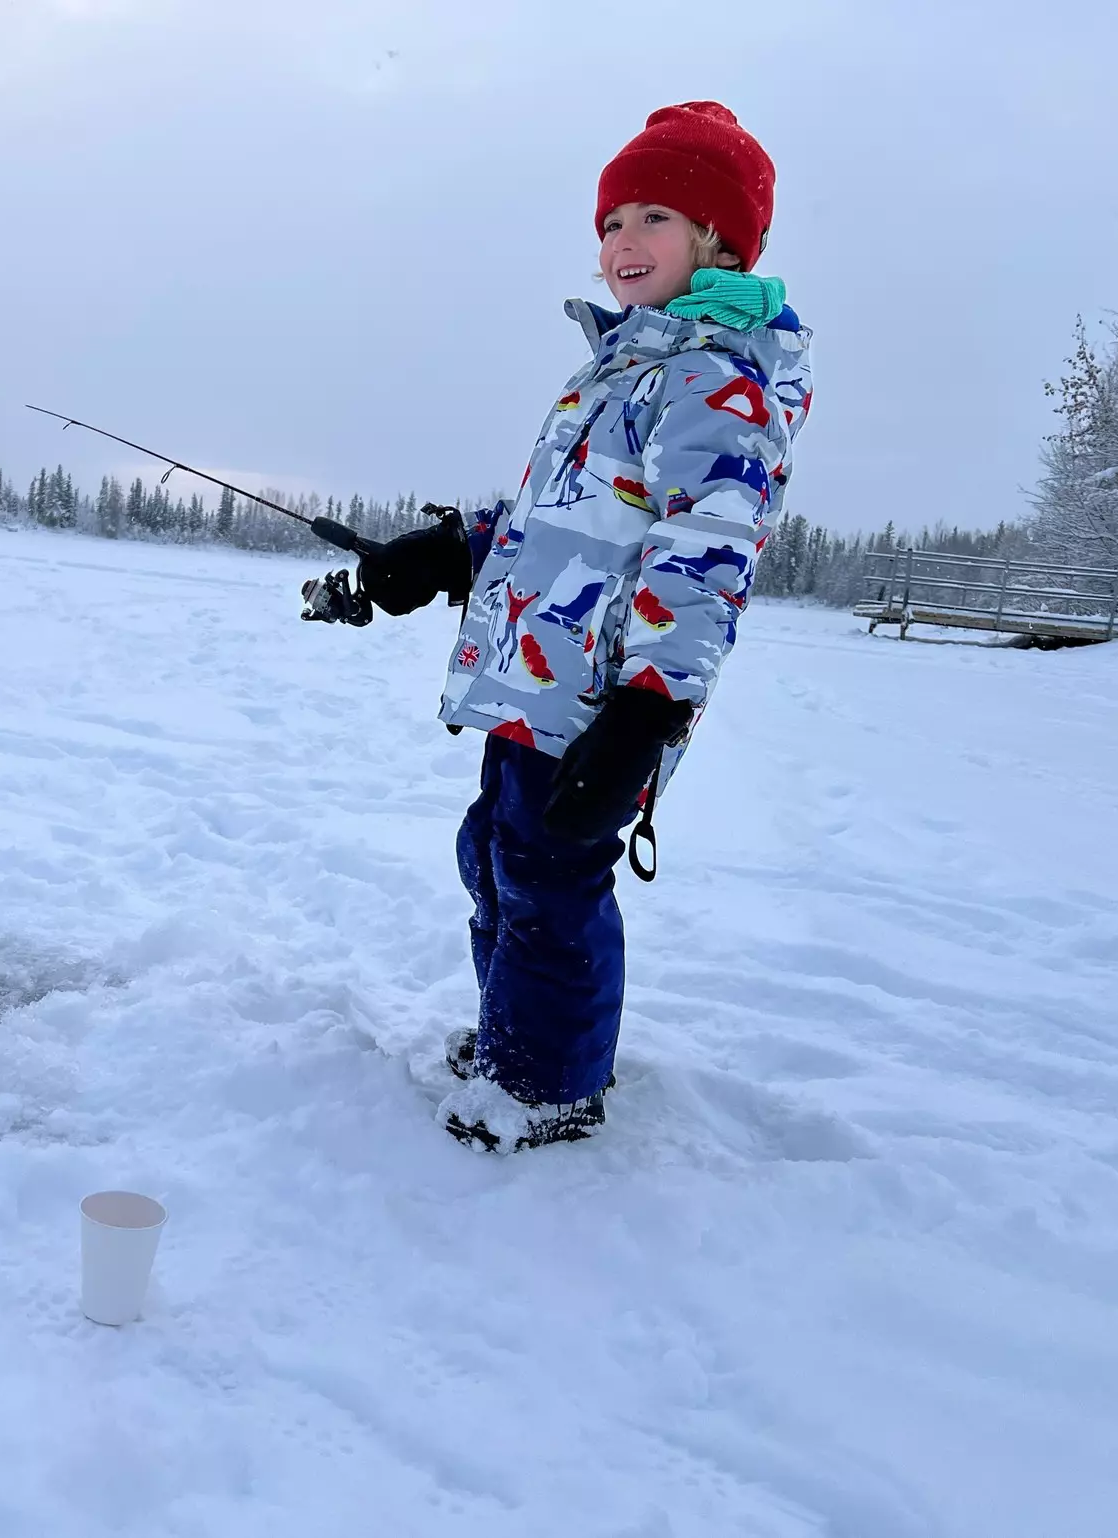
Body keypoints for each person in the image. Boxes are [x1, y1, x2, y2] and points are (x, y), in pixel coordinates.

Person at [338, 101, 815, 1152]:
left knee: (549, 878)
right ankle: (521, 1043)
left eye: (653, 216)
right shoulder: (617, 369)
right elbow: (558, 522)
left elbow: (707, 551)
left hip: (605, 700)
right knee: (498, 858)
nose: (620, 242)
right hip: (535, 678)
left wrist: (648, 711)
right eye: (608, 222)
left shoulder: (714, 380)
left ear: (719, 242)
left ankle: (547, 1085)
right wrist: (443, 552)